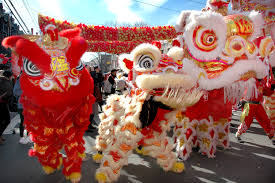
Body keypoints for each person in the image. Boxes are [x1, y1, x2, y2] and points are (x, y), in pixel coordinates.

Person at [236, 79, 275, 144]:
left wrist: (271, 88)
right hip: (248, 104)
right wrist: (241, 99)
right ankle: (238, 134)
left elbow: (265, 92)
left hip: (258, 104)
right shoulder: (249, 80)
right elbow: (241, 89)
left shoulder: (262, 82)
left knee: (265, 120)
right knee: (247, 121)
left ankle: (272, 136)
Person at [13, 73, 29, 144]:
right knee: (23, 121)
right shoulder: (20, 80)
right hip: (22, 105)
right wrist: (26, 92)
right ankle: (22, 136)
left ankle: (29, 136)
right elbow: (15, 92)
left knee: (30, 122)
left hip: (31, 105)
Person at [0, 70, 13, 144]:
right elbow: (9, 92)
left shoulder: (6, 81)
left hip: (4, 103)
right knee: (6, 120)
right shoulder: (4, 82)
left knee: (5, 120)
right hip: (2, 103)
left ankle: (0, 136)